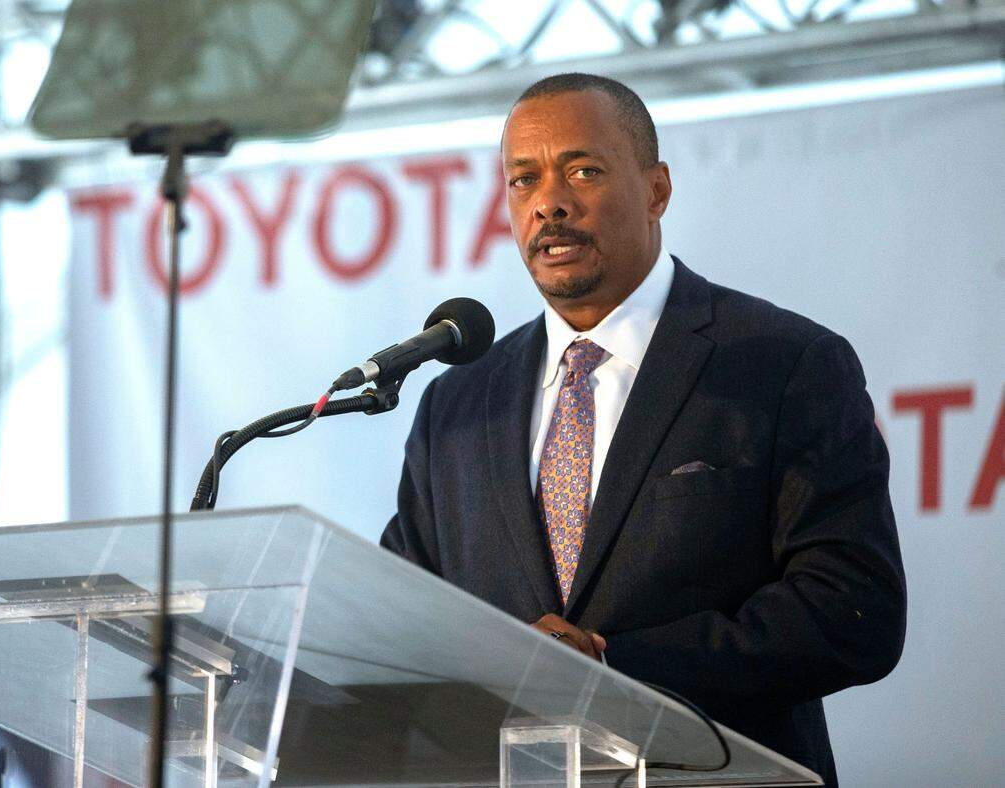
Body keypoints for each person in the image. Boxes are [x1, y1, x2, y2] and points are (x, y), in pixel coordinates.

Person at [380, 73, 906, 785]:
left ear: (657, 190)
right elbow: (404, 623)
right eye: (522, 181)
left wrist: (613, 666)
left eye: (583, 171)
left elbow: (853, 610)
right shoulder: (459, 406)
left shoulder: (785, 364)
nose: (550, 204)